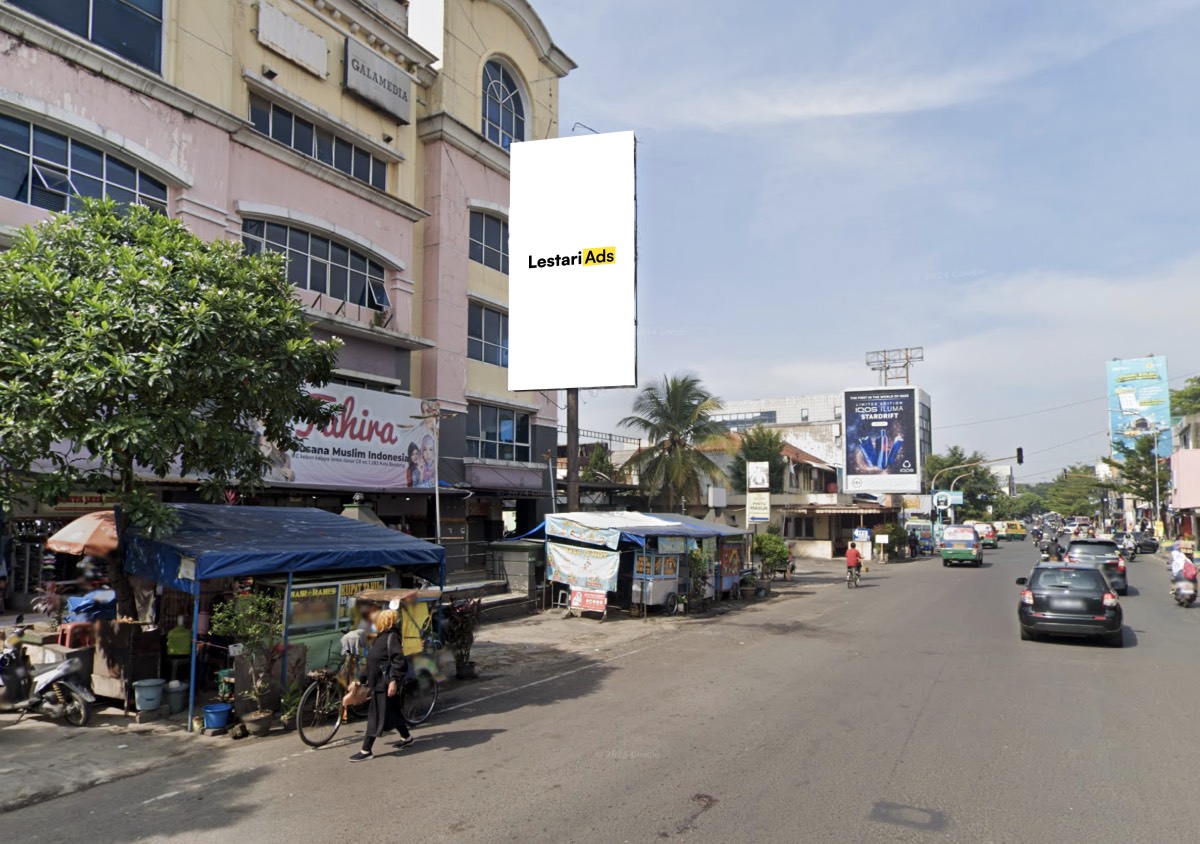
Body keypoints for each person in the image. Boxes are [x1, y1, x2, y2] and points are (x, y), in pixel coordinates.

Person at [348, 609, 413, 762]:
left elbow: (399, 662)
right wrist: (361, 680)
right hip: (377, 682)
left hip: (383, 684)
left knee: (375, 717)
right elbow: (373, 662)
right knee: (394, 713)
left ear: (385, 622)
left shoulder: (392, 637)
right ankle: (407, 737)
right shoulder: (380, 638)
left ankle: (366, 751)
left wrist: (393, 681)